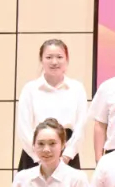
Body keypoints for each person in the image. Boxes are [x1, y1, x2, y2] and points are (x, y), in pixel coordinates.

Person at [16, 39, 87, 170]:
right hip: (35, 153)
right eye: (49, 57)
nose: (54, 62)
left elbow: (80, 126)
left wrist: (66, 156)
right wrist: (39, 157)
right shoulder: (30, 89)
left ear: (67, 60)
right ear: (41, 60)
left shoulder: (77, 88)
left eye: (59, 57)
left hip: (67, 154)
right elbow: (23, 128)